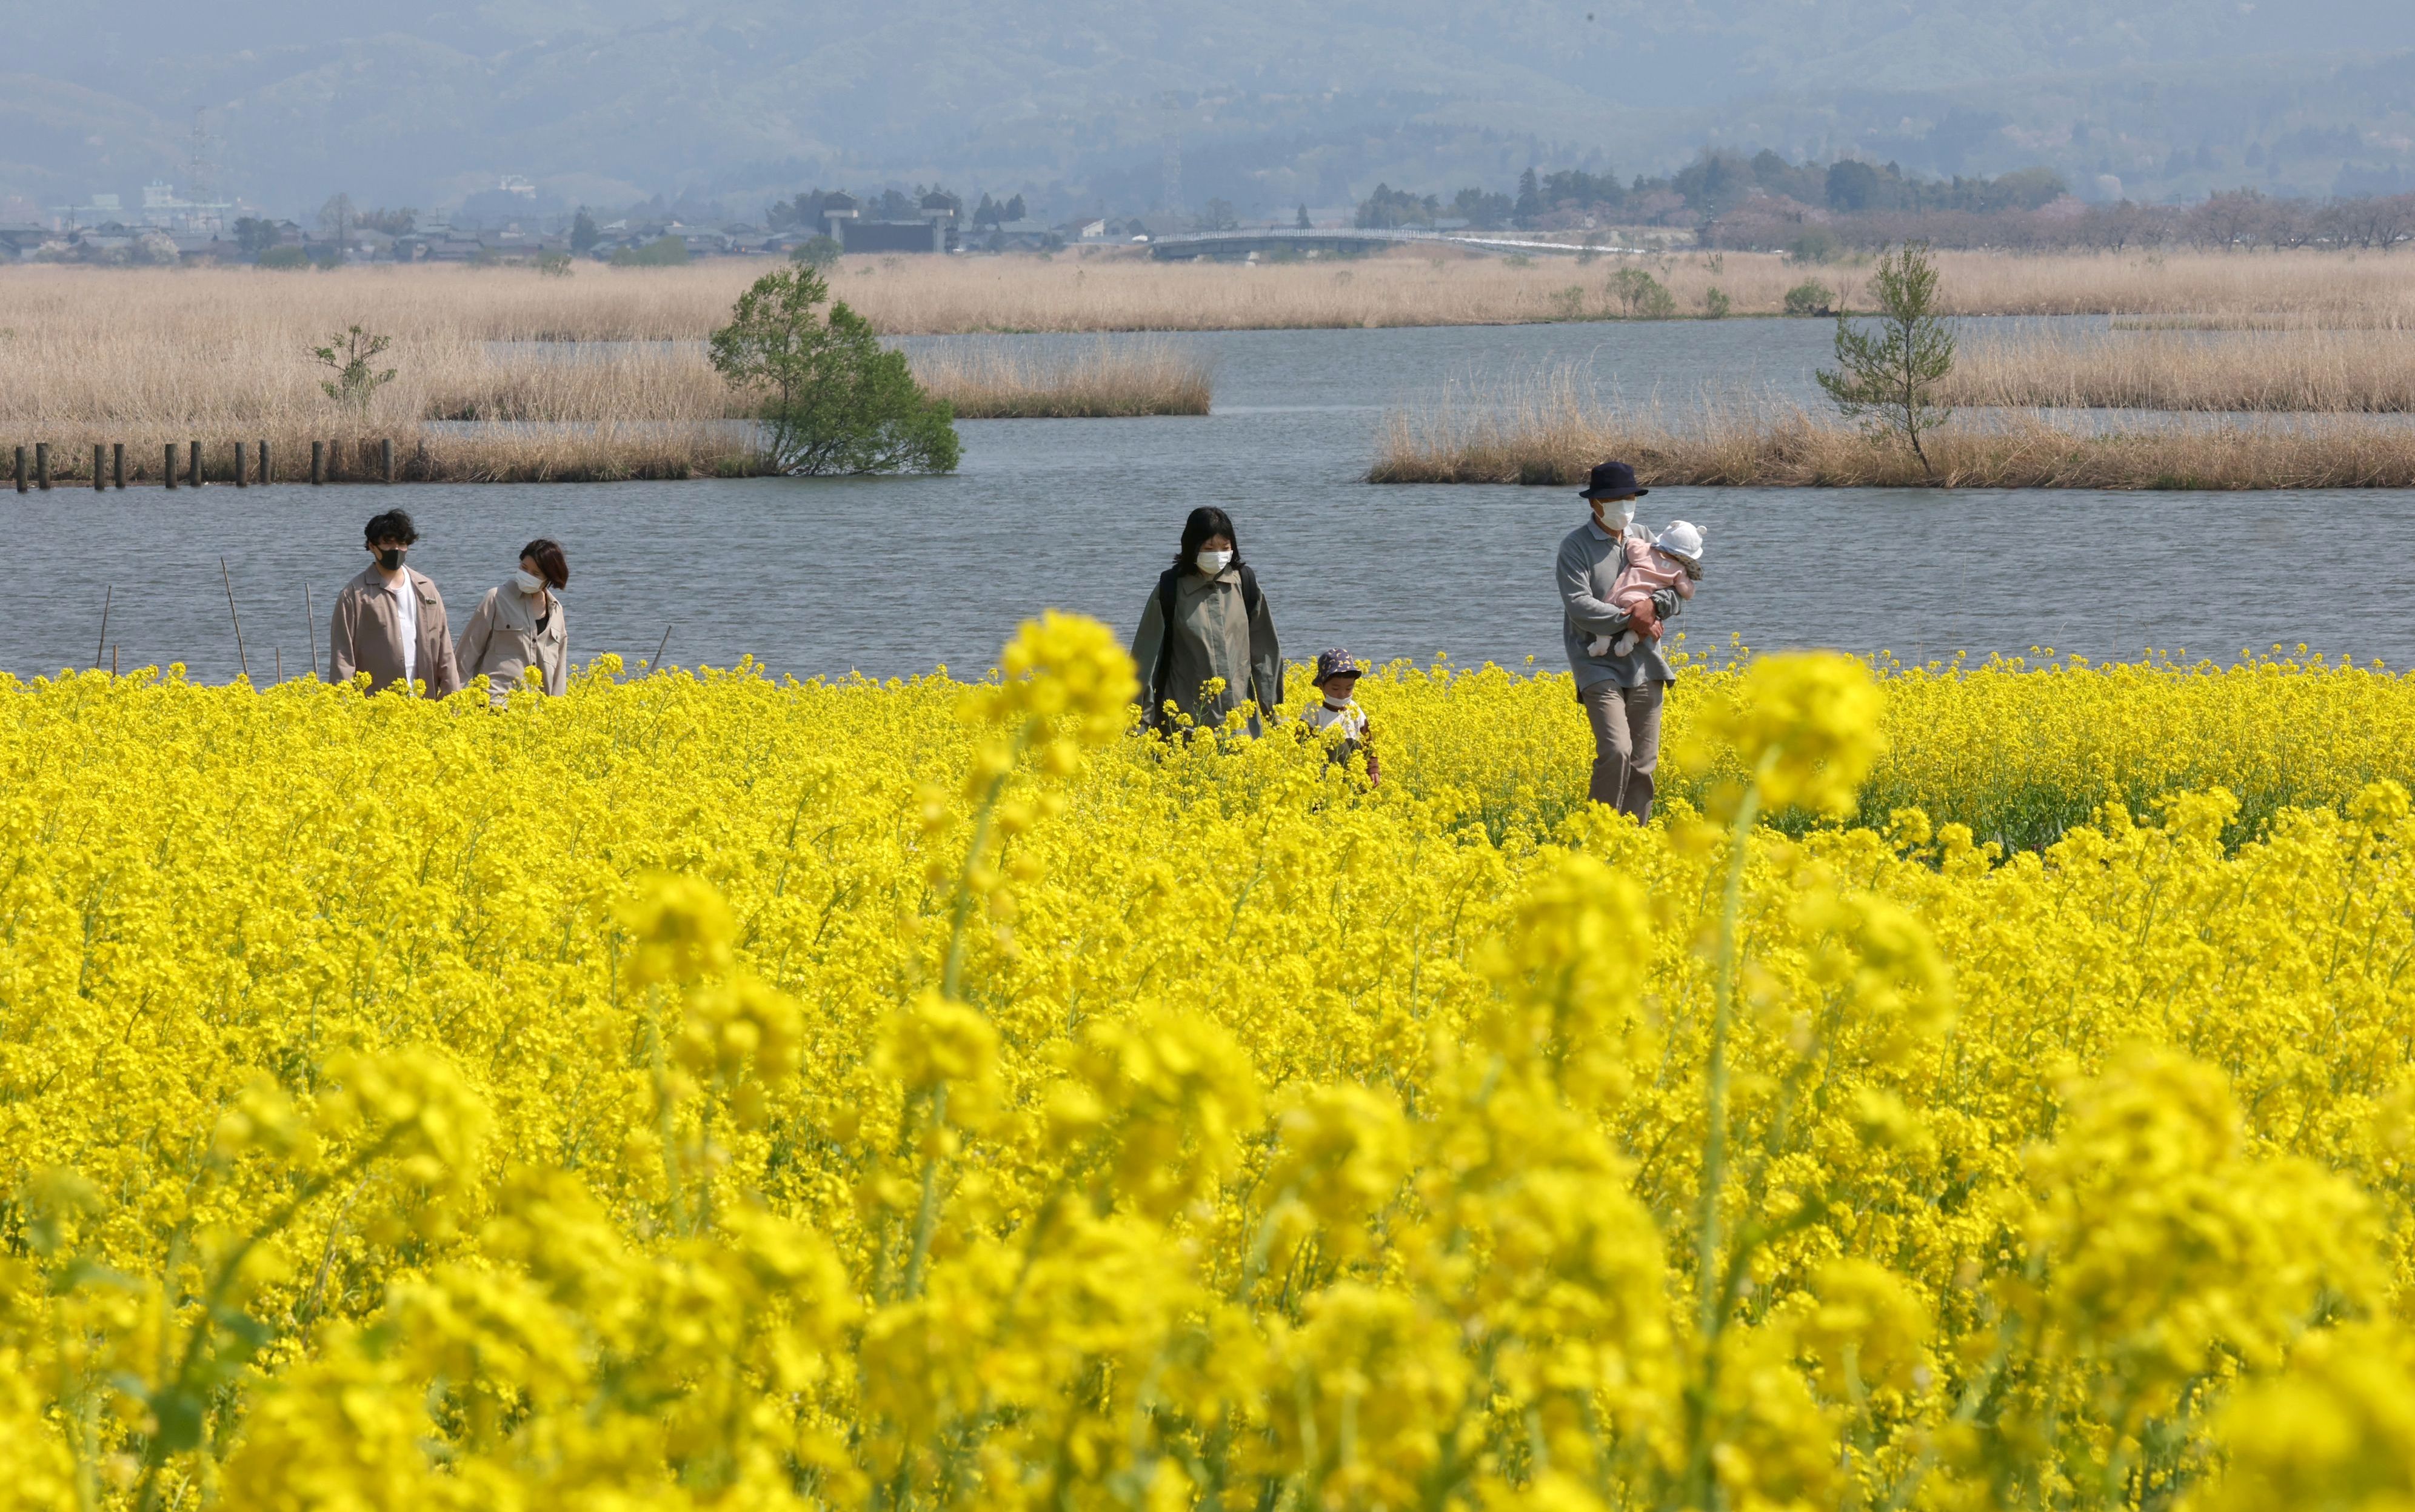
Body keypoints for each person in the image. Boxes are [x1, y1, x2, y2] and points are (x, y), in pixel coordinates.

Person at [1557, 460, 1683, 820]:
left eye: (1630, 498)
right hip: (1595, 662)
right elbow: (1580, 607)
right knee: (1616, 750)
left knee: (1643, 764)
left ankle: (1631, 847)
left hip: (1645, 662)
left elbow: (1677, 584)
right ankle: (1597, 834)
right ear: (1595, 503)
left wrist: (1654, 607)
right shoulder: (1575, 547)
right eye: (1616, 499)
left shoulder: (1646, 535)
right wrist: (1634, 618)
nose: (1624, 506)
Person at [1129, 505, 1283, 735]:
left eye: (1225, 548)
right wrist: (1137, 723)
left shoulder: (1247, 586)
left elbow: (1266, 655)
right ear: (1192, 548)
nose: (1218, 554)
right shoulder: (1170, 590)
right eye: (1209, 548)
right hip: (1185, 727)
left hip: (1241, 729)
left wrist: (1276, 716)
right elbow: (1146, 660)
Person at [327, 508, 461, 698]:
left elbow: (444, 648)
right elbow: (343, 656)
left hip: (424, 702)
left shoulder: (426, 589)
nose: (396, 549)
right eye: (388, 544)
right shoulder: (354, 595)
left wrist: (453, 698)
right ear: (372, 546)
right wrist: (341, 707)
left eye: (402, 543)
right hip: (376, 706)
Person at [456, 539, 571, 708]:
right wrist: (451, 704)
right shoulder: (496, 598)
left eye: (536, 574)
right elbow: (466, 655)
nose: (527, 576)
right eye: (524, 568)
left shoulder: (556, 611)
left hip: (537, 714)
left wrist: (557, 714)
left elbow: (559, 670)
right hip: (496, 705)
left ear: (549, 579)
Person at [1590, 520, 1706, 659]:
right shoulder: (1679, 571)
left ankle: (1601, 642)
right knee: (1650, 623)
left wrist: (1643, 543)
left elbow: (1631, 546)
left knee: (1605, 625)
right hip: (1640, 602)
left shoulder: (1646, 552)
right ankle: (1630, 639)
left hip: (1618, 596)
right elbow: (1687, 592)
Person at [1301, 647, 1381, 786]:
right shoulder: (1313, 711)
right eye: (1336, 689)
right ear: (1321, 686)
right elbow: (1301, 744)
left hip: (1354, 779)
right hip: (1322, 782)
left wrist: (1373, 768)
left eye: (1349, 688)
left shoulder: (1354, 709)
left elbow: (1368, 742)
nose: (1342, 694)